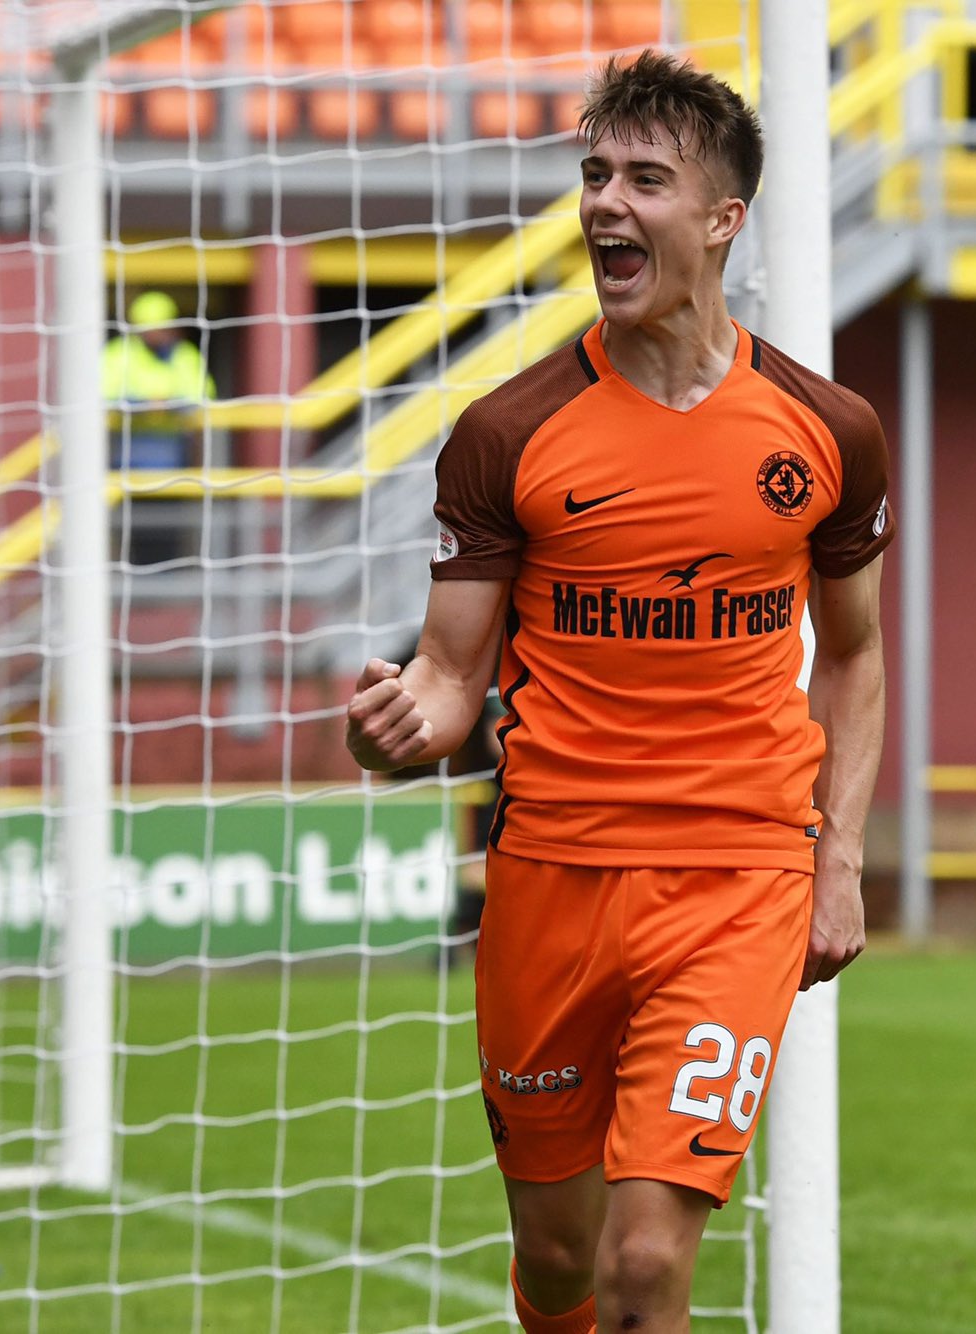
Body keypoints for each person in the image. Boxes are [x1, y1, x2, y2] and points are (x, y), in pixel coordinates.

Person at [345, 52, 891, 1334]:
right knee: (558, 1259)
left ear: (722, 218)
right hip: (551, 874)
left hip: (736, 877)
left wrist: (838, 860)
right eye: (594, 175)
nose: (605, 203)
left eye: (645, 179)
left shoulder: (826, 430)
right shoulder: (507, 433)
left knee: (646, 1259)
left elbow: (852, 653)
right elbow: (448, 678)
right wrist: (392, 730)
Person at [100, 290, 214, 565]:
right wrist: (141, 404)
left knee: (166, 535)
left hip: (172, 462)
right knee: (129, 535)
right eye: (151, 329)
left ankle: (165, 580)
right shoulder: (118, 355)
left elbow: (203, 395)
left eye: (163, 328)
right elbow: (103, 395)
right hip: (126, 461)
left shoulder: (185, 356)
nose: (157, 335)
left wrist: (170, 404)